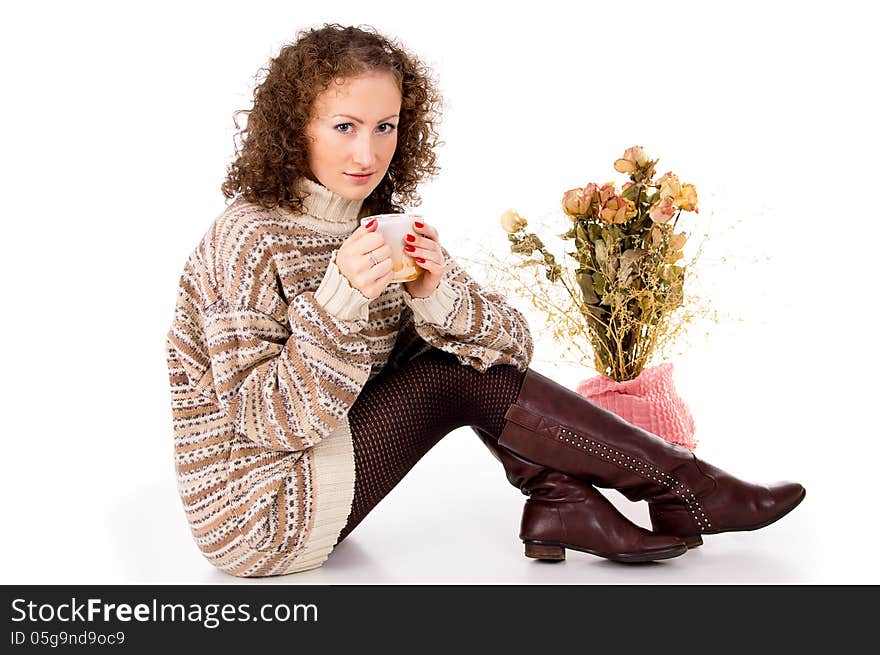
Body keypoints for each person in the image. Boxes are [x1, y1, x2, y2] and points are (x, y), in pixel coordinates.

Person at [165, 24, 805, 578]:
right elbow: (268, 422)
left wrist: (436, 295)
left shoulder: (379, 225)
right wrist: (339, 304)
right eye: (344, 127)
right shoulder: (246, 237)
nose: (368, 153)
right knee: (448, 376)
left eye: (385, 126)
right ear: (293, 129)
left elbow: (510, 353)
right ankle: (684, 486)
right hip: (257, 512)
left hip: (321, 475)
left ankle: (564, 502)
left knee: (461, 358)